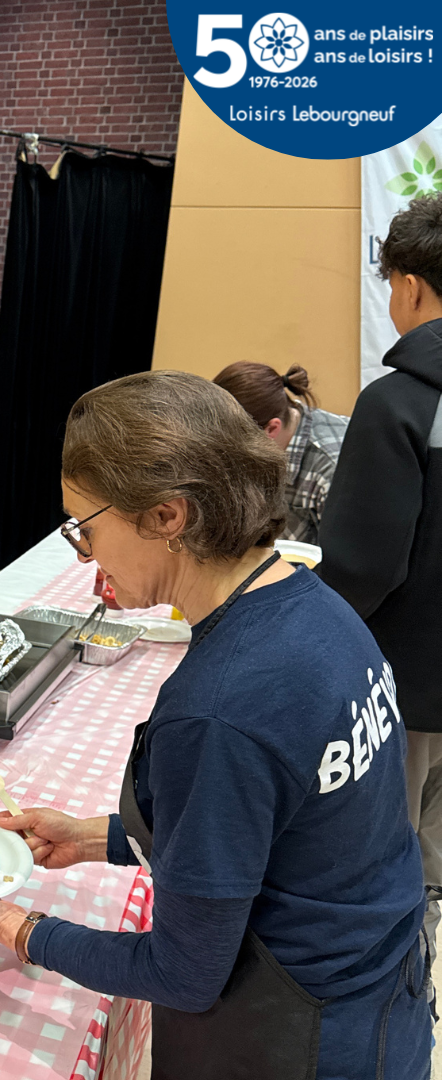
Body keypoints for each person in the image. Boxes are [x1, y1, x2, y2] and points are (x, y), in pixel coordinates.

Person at [0, 370, 430, 1079]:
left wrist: (18, 929)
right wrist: (97, 836)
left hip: (297, 1035)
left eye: (85, 528)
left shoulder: (219, 706)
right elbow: (278, 828)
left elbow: (185, 972)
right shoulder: (316, 605)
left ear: (167, 516)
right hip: (383, 992)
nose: (86, 554)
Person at [317, 193, 442, 952]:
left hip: (408, 681)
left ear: (408, 285)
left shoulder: (396, 402)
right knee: (433, 860)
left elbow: (364, 567)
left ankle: (386, 995)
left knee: (380, 858)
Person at [213, 361, 348, 545]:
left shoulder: (332, 468)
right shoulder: (275, 425)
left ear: (271, 429)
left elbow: (346, 563)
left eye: (233, 446)